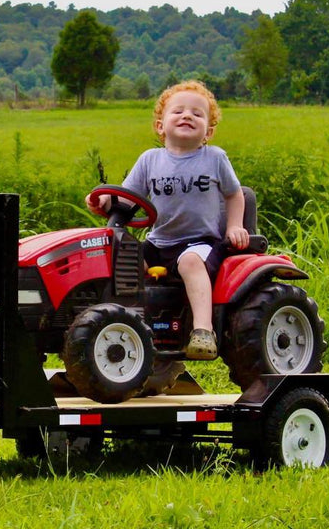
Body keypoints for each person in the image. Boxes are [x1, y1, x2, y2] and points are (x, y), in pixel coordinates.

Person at [85, 80, 248, 360]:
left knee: (189, 262)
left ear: (208, 131)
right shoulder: (150, 160)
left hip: (201, 242)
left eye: (197, 114)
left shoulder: (214, 158)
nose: (187, 116)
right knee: (125, 260)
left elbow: (235, 195)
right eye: (178, 111)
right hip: (159, 242)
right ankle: (129, 326)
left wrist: (234, 225)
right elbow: (127, 199)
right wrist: (104, 201)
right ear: (161, 126)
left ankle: (203, 330)